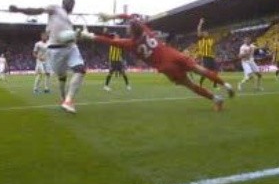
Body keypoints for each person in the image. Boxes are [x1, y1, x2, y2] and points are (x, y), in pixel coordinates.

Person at [81, 13, 234, 111]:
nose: (127, 29)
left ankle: (216, 99)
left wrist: (88, 35)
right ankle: (226, 85)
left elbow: (106, 40)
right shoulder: (145, 30)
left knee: (191, 85)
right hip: (174, 54)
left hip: (167, 67)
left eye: (128, 28)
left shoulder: (130, 43)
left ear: (132, 32)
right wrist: (110, 16)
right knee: (201, 70)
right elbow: (129, 16)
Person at [9, 0, 86, 114]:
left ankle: (68, 101)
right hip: (55, 50)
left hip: (70, 47)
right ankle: (63, 98)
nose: (71, 5)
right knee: (62, 77)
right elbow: (37, 10)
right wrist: (19, 9)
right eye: (70, 3)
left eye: (72, 3)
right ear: (64, 3)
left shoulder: (69, 21)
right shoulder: (55, 9)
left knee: (80, 69)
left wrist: (77, 35)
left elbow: (70, 37)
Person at [196, 17, 218, 88]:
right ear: (202, 35)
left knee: (216, 71)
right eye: (204, 33)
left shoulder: (210, 40)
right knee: (206, 73)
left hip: (212, 58)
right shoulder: (201, 40)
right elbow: (199, 30)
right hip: (205, 58)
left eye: (207, 33)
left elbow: (213, 48)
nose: (206, 34)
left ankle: (215, 84)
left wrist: (215, 55)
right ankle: (200, 83)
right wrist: (200, 23)